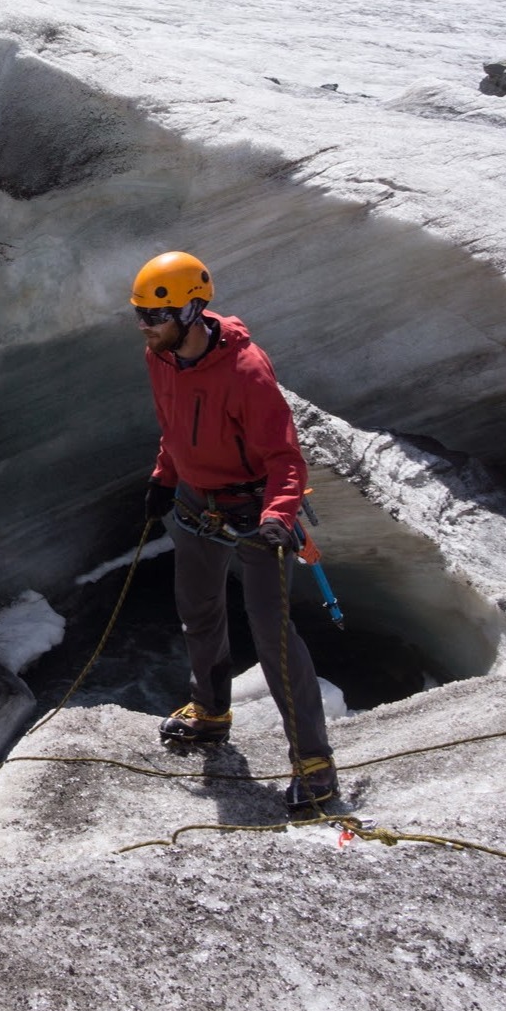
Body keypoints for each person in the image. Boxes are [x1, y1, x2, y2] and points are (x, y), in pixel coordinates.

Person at [131, 250, 337, 814]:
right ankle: (212, 713)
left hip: (253, 514)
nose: (145, 327)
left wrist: (279, 517)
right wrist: (163, 477)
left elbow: (286, 458)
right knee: (198, 613)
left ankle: (315, 765)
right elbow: (173, 426)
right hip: (196, 506)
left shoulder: (247, 371)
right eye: (141, 316)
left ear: (192, 311)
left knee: (273, 633)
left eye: (155, 316)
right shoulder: (162, 358)